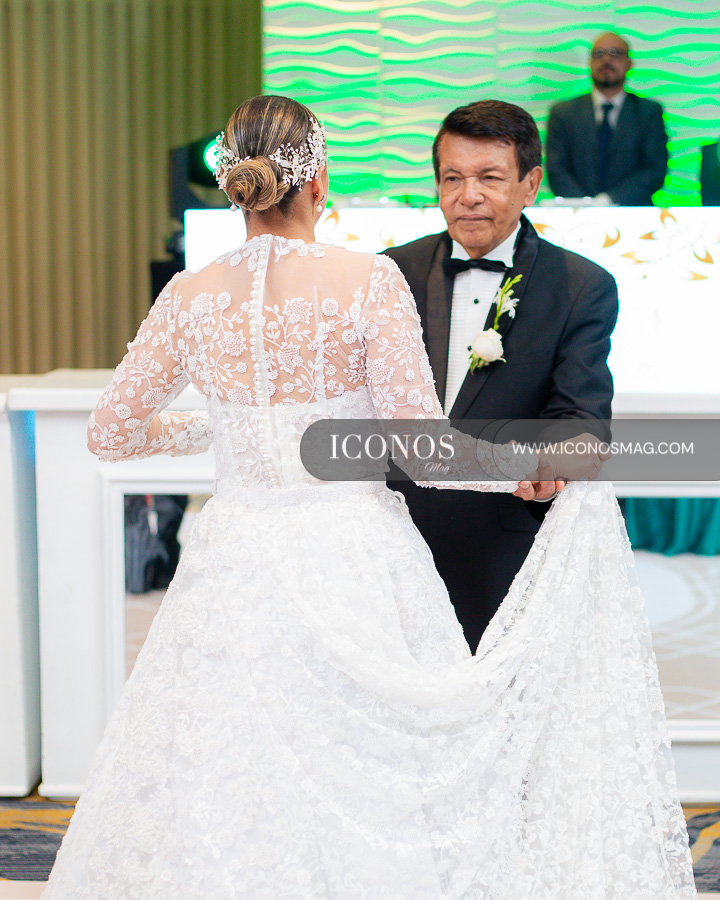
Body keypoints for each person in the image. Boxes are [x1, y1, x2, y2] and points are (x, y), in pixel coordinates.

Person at [42, 95, 695, 899]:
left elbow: (111, 433)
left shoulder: (188, 293)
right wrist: (523, 464)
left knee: (227, 758)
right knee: (380, 765)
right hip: (350, 556)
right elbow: (425, 452)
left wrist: (235, 429)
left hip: (235, 559)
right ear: (319, 179)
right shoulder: (366, 280)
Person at [385, 100, 618, 650]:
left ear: (530, 183)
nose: (468, 196)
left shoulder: (580, 285)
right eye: (452, 178)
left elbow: (582, 422)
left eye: (489, 178)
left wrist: (542, 463)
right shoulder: (389, 271)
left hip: (502, 548)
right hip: (389, 544)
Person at [546, 32, 668, 205]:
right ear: (589, 63)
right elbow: (556, 170)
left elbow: (654, 169)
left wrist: (608, 200)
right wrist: (586, 205)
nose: (606, 60)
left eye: (615, 53)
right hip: (576, 213)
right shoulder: (563, 113)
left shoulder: (649, 112)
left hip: (634, 212)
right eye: (598, 53)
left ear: (629, 63)